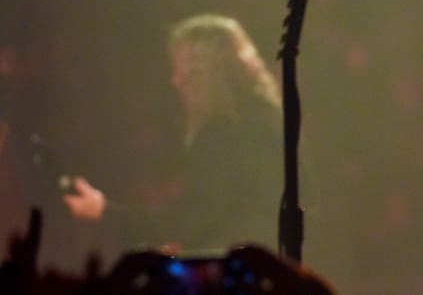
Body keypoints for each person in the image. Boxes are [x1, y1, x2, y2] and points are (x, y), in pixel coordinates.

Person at [60, 14, 282, 254]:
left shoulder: (223, 136)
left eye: (185, 73)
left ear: (206, 75)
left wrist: (103, 210)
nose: (176, 81)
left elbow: (184, 224)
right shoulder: (269, 123)